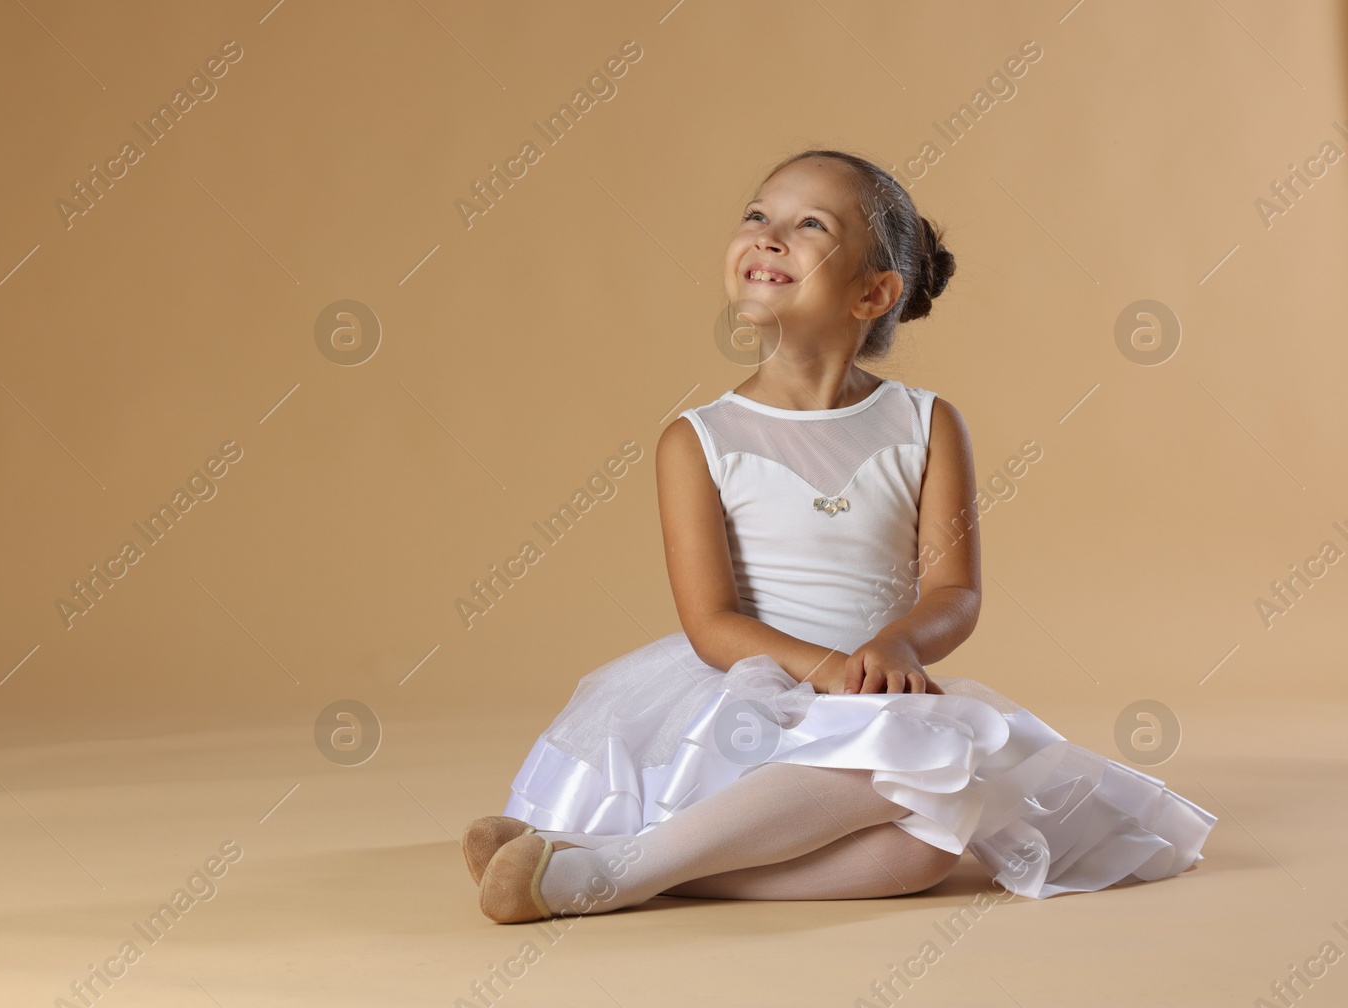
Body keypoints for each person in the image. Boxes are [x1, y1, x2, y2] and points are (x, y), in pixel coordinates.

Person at [462, 147, 1217, 924]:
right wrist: (824, 671)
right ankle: (612, 870)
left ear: (873, 292)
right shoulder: (698, 438)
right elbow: (711, 622)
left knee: (927, 848)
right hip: (752, 693)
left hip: (874, 692)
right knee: (924, 780)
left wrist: (898, 646)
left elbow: (955, 590)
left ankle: (597, 861)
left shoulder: (925, 424)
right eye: (757, 215)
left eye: (808, 224)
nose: (767, 235)